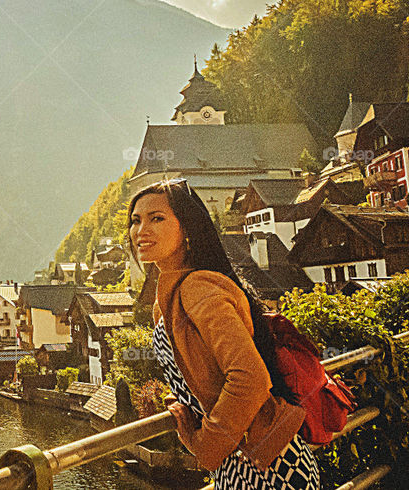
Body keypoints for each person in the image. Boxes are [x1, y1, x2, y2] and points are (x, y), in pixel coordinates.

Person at [127, 178, 319, 489]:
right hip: (243, 458)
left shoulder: (197, 287)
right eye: (136, 220)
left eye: (157, 218)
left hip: (264, 465)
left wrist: (204, 445)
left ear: (187, 227)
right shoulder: (168, 300)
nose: (141, 230)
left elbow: (250, 378)